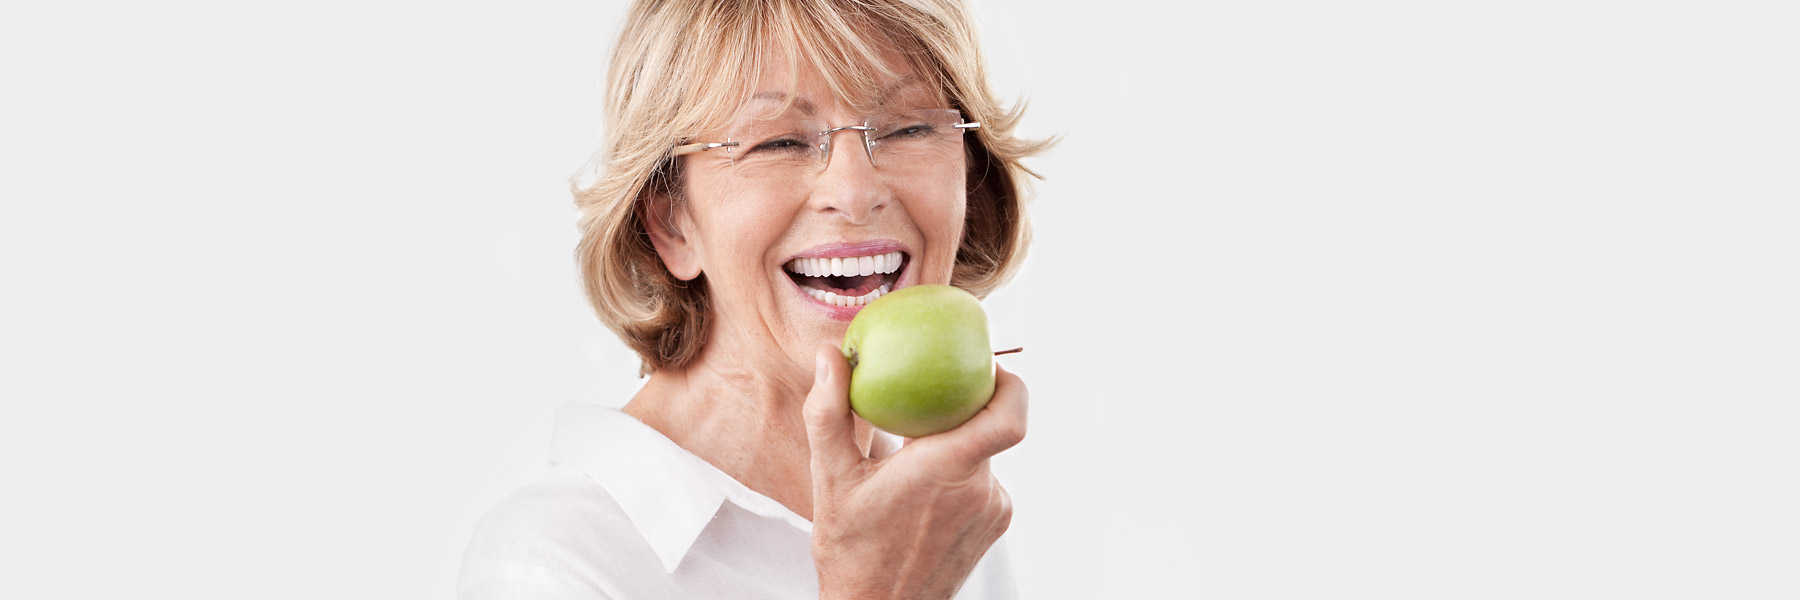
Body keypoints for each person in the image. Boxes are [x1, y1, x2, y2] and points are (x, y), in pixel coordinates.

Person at [459, 0, 1050, 597]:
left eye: (908, 129)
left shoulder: (942, 509)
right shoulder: (549, 565)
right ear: (673, 224)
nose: (854, 192)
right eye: (779, 143)